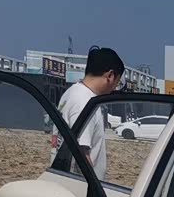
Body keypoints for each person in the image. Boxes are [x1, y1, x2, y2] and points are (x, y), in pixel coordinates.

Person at [52, 45, 124, 181]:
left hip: (62, 177)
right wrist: (95, 187)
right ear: (110, 75)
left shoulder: (71, 92)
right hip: (78, 185)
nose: (115, 88)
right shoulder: (85, 101)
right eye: (117, 82)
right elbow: (81, 154)